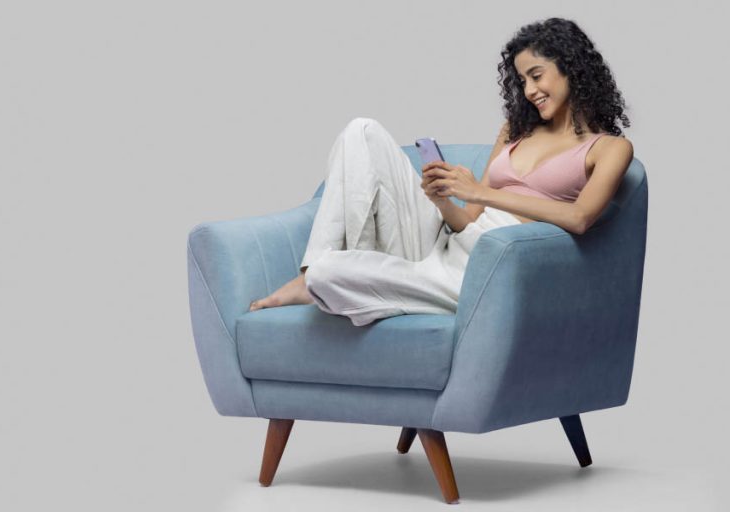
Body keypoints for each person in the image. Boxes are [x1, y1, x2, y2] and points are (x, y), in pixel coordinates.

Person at [248, 17, 633, 326]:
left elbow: (581, 218)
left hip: (489, 269)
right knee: (361, 132)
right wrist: (443, 199)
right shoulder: (515, 131)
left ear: (571, 68)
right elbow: (468, 220)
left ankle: (330, 279)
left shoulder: (610, 148)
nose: (530, 90)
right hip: (447, 243)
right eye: (521, 81)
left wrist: (480, 192)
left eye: (536, 75)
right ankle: (324, 271)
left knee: (327, 276)